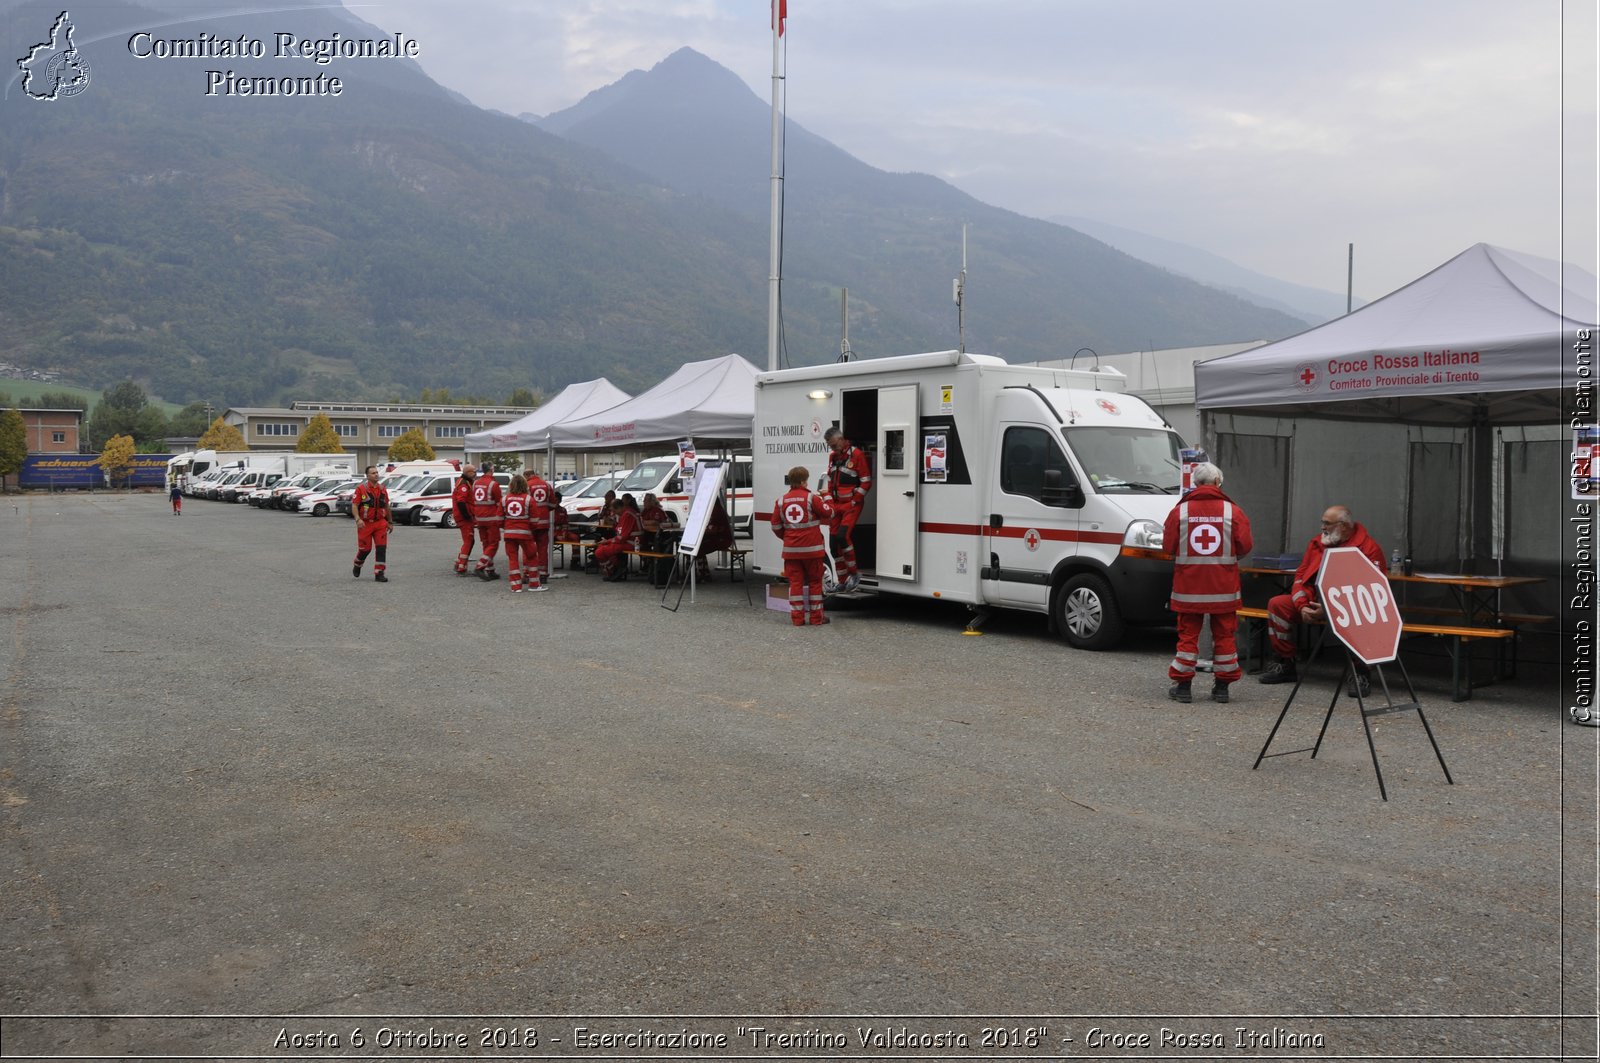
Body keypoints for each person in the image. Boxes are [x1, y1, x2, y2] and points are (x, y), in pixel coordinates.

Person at [1260, 503, 1387, 696]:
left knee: (1363, 617)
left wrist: (1329, 609)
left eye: (1327, 523)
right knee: (1277, 605)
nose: (1322, 527)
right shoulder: (1317, 543)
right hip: (1313, 603)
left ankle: (1360, 672)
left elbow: (1370, 592)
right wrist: (1302, 607)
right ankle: (1284, 662)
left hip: (1349, 607)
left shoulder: (1368, 548)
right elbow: (1301, 577)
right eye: (1322, 523)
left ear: (1343, 526)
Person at [1162, 463, 1252, 703]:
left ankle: (1183, 687)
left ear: (1195, 483)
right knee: (1224, 636)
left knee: (1187, 636)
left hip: (1188, 587)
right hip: (1223, 587)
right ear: (1218, 482)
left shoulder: (1179, 512)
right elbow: (1245, 545)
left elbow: (1168, 547)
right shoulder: (1233, 511)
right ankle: (1222, 688)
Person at [771, 465, 835, 626]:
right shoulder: (811, 498)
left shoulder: (781, 501)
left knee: (796, 584)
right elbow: (829, 513)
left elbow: (776, 526)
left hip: (791, 551)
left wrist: (788, 538)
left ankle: (797, 619)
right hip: (812, 550)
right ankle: (816, 618)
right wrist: (827, 496)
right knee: (814, 582)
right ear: (803, 481)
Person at [821, 425, 872, 591]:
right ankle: (842, 581)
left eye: (834, 445)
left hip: (851, 505)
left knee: (843, 537)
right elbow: (829, 482)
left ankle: (854, 573)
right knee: (833, 545)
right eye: (830, 446)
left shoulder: (856, 455)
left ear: (842, 439)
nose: (833, 448)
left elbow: (866, 481)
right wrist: (828, 501)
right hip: (835, 507)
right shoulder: (833, 457)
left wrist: (854, 500)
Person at [500, 474, 543, 593]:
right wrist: (529, 528)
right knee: (532, 557)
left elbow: (499, 519)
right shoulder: (529, 499)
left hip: (509, 534)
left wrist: (507, 527)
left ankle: (515, 587)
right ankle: (534, 584)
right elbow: (535, 520)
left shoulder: (504, 499)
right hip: (525, 534)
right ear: (525, 485)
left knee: (512, 559)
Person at [351, 465, 393, 582]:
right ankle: (358, 564)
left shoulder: (382, 489)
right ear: (368, 476)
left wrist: (390, 521)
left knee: (381, 548)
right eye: (373, 473)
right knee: (365, 549)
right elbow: (354, 505)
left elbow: (386, 506)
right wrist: (358, 519)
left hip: (380, 523)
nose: (376, 475)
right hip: (365, 524)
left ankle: (379, 573)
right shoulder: (361, 489)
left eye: (377, 472)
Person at [594, 493, 639, 581]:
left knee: (600, 552)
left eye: (614, 511)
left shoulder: (628, 514)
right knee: (600, 547)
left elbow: (622, 537)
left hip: (633, 543)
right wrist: (608, 540)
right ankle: (615, 568)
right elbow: (619, 533)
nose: (614, 514)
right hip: (626, 542)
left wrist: (608, 541)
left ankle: (613, 570)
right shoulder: (624, 514)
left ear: (618, 508)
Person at [471, 465, 504, 580]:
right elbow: (499, 503)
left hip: (479, 518)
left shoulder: (475, 483)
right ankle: (480, 566)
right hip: (491, 518)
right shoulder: (493, 484)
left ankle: (490, 569)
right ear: (491, 470)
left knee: (486, 544)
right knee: (494, 543)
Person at [524, 468, 555, 585]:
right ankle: (542, 574)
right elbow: (553, 503)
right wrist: (545, 510)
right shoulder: (546, 485)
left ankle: (528, 573)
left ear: (527, 475)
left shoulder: (527, 485)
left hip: (531, 523)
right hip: (544, 523)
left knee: (528, 548)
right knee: (542, 549)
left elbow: (523, 504)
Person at [450, 464, 477, 575]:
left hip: (462, 516)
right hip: (464, 517)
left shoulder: (464, 482)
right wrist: (467, 516)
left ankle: (459, 563)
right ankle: (461, 567)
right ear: (468, 472)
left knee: (470, 541)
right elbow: (461, 501)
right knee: (469, 541)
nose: (475, 474)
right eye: (474, 472)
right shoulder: (464, 484)